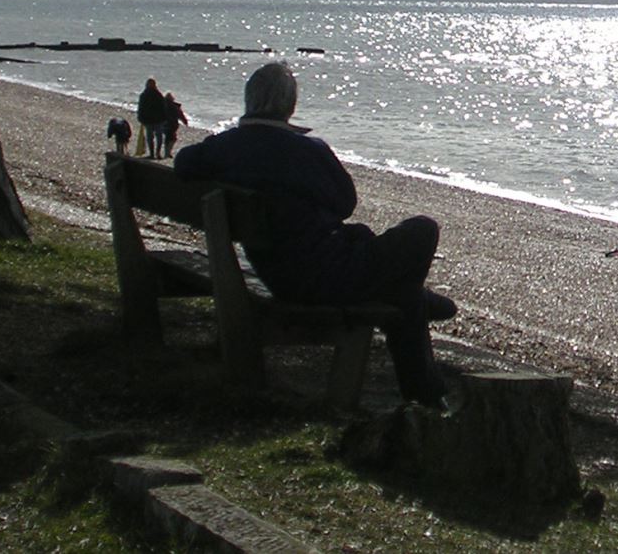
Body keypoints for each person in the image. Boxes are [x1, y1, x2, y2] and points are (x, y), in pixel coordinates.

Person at [174, 62, 455, 407]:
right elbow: (345, 202)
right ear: (290, 105)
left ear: (249, 100)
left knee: (380, 261)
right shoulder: (307, 150)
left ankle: (427, 390)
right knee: (422, 231)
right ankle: (422, 368)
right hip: (322, 277)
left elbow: (183, 162)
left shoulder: (222, 148)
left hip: (276, 272)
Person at [137, 78, 166, 159]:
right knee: (155, 137)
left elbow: (163, 107)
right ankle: (155, 153)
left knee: (154, 137)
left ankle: (155, 153)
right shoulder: (156, 94)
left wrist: (140, 117)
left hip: (154, 120)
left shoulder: (148, 95)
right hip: (153, 120)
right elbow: (141, 108)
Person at [162, 92, 189, 159]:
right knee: (172, 138)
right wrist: (185, 122)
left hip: (164, 124)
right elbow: (180, 115)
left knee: (168, 138)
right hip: (172, 124)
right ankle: (167, 153)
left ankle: (167, 152)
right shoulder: (175, 106)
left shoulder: (161, 105)